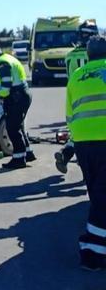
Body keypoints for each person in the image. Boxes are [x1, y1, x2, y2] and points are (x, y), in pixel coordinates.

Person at [65, 36, 106, 270]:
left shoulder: (76, 77)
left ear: (87, 55)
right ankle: (92, 252)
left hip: (83, 144)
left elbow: (70, 116)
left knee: (97, 195)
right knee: (103, 201)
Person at [0, 44, 35, 169]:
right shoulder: (8, 58)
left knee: (12, 128)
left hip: (15, 98)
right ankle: (28, 153)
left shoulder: (1, 63)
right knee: (18, 126)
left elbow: (6, 84)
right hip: (22, 95)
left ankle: (19, 158)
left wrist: (0, 96)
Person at [57, 21, 100, 173]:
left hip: (77, 95)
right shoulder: (97, 54)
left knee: (79, 130)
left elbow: (71, 78)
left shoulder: (70, 56)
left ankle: (67, 153)